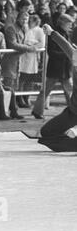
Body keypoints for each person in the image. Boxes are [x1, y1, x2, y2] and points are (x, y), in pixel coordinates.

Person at [38, 24, 77, 152]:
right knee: (46, 132)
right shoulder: (75, 55)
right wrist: (52, 33)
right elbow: (66, 47)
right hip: (73, 111)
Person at [32, 13, 74, 119]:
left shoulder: (65, 34)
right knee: (47, 89)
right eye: (69, 23)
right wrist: (67, 53)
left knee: (69, 91)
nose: (71, 26)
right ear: (63, 23)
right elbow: (52, 52)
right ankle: (37, 111)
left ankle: (73, 111)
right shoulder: (55, 34)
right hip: (56, 68)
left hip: (64, 68)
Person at [18, 14, 45, 107]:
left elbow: (42, 44)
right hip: (23, 55)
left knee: (30, 78)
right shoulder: (25, 28)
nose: (30, 22)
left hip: (32, 56)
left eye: (32, 21)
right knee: (22, 77)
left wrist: (32, 47)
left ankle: (26, 97)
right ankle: (20, 98)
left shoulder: (39, 30)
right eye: (29, 20)